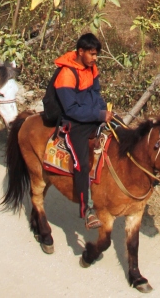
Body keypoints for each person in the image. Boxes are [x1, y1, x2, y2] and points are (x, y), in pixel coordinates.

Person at [54, 33, 113, 230]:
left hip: (93, 117)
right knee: (82, 163)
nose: (95, 58)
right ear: (81, 52)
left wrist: (104, 111)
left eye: (96, 55)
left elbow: (96, 93)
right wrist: (98, 115)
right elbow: (70, 110)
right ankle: (86, 210)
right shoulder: (66, 74)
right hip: (74, 123)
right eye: (92, 54)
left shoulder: (91, 68)